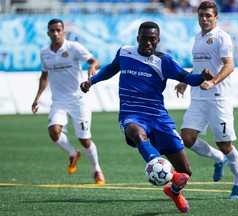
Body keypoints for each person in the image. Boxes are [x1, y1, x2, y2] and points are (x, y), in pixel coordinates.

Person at [80, 21, 213, 213]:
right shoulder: (125, 52)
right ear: (137, 39)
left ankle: (174, 191)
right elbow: (111, 68)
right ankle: (170, 174)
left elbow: (186, 78)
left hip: (158, 117)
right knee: (138, 135)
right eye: (144, 39)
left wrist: (201, 77)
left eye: (153, 40)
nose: (148, 43)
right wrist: (91, 81)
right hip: (131, 114)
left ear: (158, 40)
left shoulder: (164, 61)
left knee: (186, 172)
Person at [175, 1, 238, 199]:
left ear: (216, 17)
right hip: (198, 97)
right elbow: (199, 67)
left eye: (208, 15)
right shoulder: (198, 37)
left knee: (225, 144)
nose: (204, 19)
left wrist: (213, 82)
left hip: (218, 98)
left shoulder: (222, 37)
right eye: (201, 15)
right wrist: (187, 81)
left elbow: (229, 65)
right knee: (187, 139)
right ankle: (217, 158)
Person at [31, 18, 105, 184]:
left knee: (85, 140)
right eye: (52, 30)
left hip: (79, 100)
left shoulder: (73, 47)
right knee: (53, 132)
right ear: (48, 33)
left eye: (58, 30)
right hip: (59, 101)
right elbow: (44, 77)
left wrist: (92, 67)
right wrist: (37, 99)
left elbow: (94, 60)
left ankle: (97, 169)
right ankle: (73, 154)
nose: (55, 33)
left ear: (63, 31)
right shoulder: (44, 53)